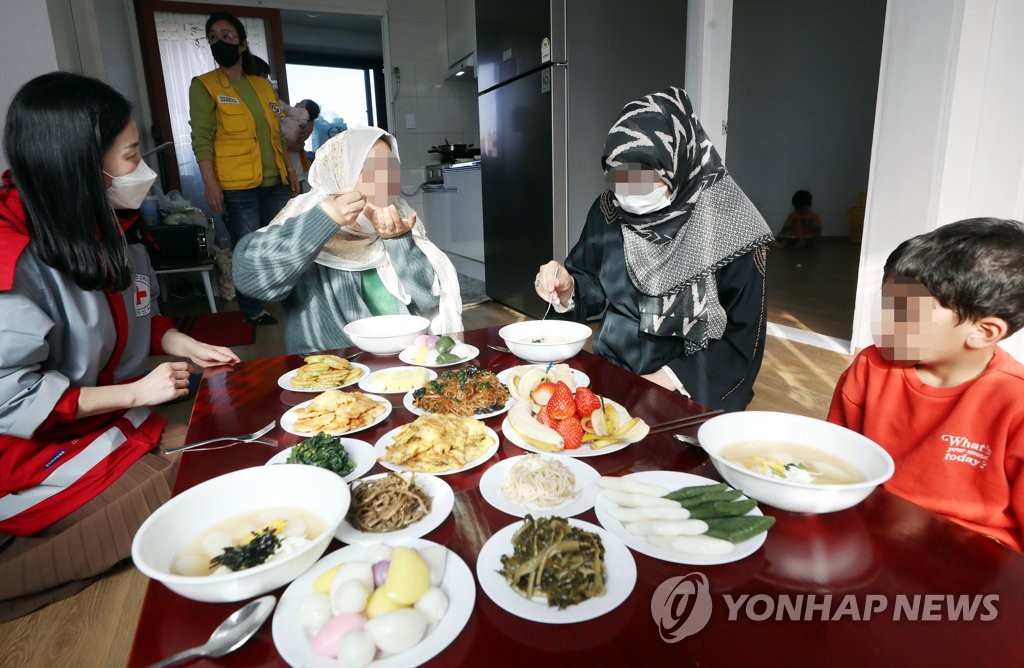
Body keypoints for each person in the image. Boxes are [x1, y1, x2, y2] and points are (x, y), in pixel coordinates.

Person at [0, 72, 240, 620]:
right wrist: (135, 393)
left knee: (214, 453)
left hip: (97, 419)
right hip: (32, 445)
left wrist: (183, 341)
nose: (144, 172)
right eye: (133, 156)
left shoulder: (107, 224)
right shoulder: (11, 256)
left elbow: (136, 316)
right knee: (180, 494)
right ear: (84, 165)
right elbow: (11, 400)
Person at [534, 87, 774, 412]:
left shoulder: (731, 223)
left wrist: (663, 382)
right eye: (616, 176)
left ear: (678, 163)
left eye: (643, 177)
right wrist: (569, 288)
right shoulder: (609, 208)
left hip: (691, 385)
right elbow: (590, 279)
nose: (628, 191)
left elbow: (743, 340)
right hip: (613, 372)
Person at [828, 218, 1024, 551]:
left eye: (906, 312)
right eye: (887, 303)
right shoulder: (870, 367)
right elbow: (835, 459)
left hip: (974, 556)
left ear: (983, 332)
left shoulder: (1015, 402)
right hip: (873, 530)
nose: (885, 322)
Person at [232, 127, 462, 354]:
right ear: (339, 174)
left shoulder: (400, 215)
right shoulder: (305, 214)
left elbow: (428, 302)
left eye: (391, 169)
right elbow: (251, 280)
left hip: (402, 357)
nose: (385, 181)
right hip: (332, 368)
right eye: (370, 169)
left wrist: (398, 241)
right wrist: (325, 218)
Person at [189, 11, 299, 325]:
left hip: (276, 180)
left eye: (226, 35)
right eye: (212, 37)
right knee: (248, 249)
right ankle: (252, 309)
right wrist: (210, 182)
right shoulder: (204, 86)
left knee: (281, 246)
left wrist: (290, 172)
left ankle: (291, 300)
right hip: (238, 186)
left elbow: (277, 134)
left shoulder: (262, 86)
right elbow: (202, 137)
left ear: (242, 43)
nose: (218, 41)